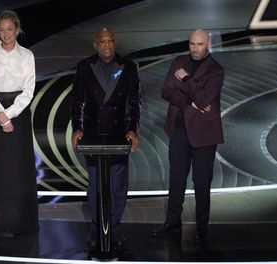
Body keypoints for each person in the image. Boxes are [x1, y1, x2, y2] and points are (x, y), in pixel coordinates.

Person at [150, 29, 225, 249]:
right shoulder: (178, 61)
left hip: (204, 135)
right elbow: (166, 91)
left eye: (199, 44)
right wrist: (187, 102)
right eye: (192, 44)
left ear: (208, 45)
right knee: (176, 181)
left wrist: (186, 79)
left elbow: (202, 99)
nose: (195, 48)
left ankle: (202, 230)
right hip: (179, 131)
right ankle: (172, 223)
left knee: (201, 185)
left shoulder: (216, 71)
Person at [70, 28, 141, 248]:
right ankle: (95, 229)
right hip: (92, 134)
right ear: (95, 44)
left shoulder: (129, 67)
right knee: (95, 186)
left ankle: (115, 227)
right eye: (102, 41)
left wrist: (133, 130)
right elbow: (77, 100)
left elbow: (134, 101)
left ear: (115, 43)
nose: (107, 45)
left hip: (119, 134)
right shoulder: (84, 67)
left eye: (110, 40)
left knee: (118, 186)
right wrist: (77, 128)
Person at [0, 10, 38, 237]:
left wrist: (9, 114)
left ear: (17, 30)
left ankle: (21, 221)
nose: (6, 34)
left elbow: (29, 90)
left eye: (10, 29)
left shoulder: (27, 56)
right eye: (1, 30)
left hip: (19, 113)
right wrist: (0, 114)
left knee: (18, 167)